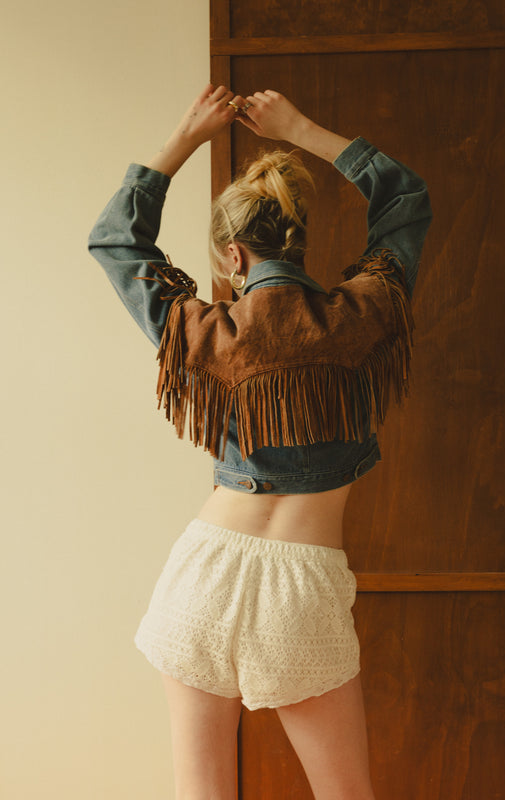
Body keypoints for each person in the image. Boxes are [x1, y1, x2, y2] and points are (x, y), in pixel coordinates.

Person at [88, 84, 432, 800]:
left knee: (202, 793)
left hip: (202, 570)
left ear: (231, 254)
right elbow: (403, 198)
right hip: (301, 585)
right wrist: (299, 127)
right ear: (296, 239)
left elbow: (117, 240)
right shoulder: (363, 311)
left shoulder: (200, 329)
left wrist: (186, 136)